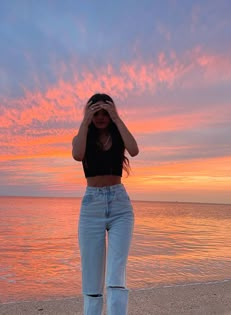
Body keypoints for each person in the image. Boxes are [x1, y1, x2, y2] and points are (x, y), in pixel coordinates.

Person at [72, 93, 139, 315]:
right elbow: (77, 154)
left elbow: (135, 150)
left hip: (120, 206)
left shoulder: (118, 135)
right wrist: (84, 120)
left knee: (116, 275)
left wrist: (117, 119)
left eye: (105, 113)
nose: (101, 117)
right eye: (96, 112)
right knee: (92, 277)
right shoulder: (83, 137)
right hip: (92, 206)